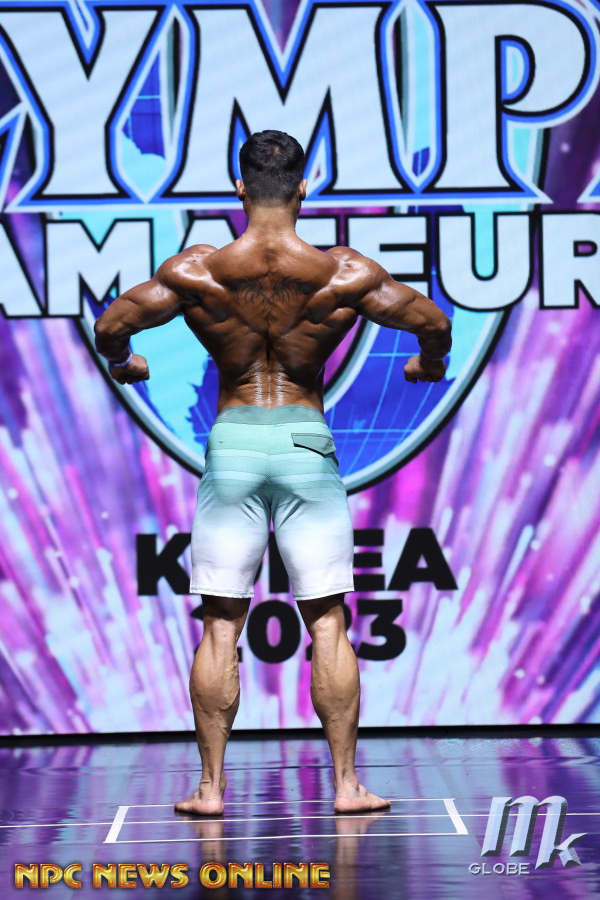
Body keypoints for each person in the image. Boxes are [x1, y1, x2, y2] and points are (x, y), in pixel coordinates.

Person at [94, 130, 452, 816]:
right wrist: (427, 365)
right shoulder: (342, 273)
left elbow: (112, 326)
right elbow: (433, 323)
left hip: (233, 444)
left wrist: (125, 364)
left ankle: (210, 790)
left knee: (219, 624)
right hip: (304, 445)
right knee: (328, 622)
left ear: (239, 188)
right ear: (303, 189)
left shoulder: (197, 271)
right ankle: (346, 786)